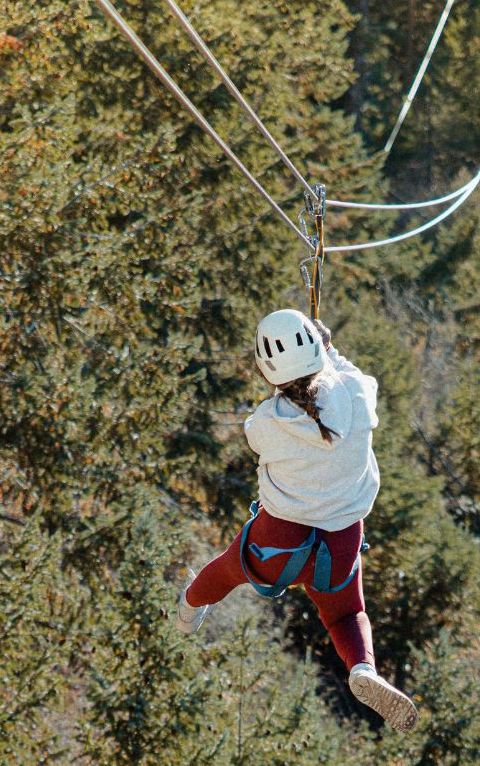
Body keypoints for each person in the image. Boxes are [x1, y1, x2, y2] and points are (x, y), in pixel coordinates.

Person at [174, 309, 417, 733]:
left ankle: (187, 610)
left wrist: (314, 359)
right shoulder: (358, 394)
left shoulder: (265, 425)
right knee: (346, 614)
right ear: (319, 352)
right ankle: (363, 668)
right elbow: (351, 377)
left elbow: (263, 423)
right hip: (339, 544)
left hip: (279, 541)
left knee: (230, 569)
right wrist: (328, 348)